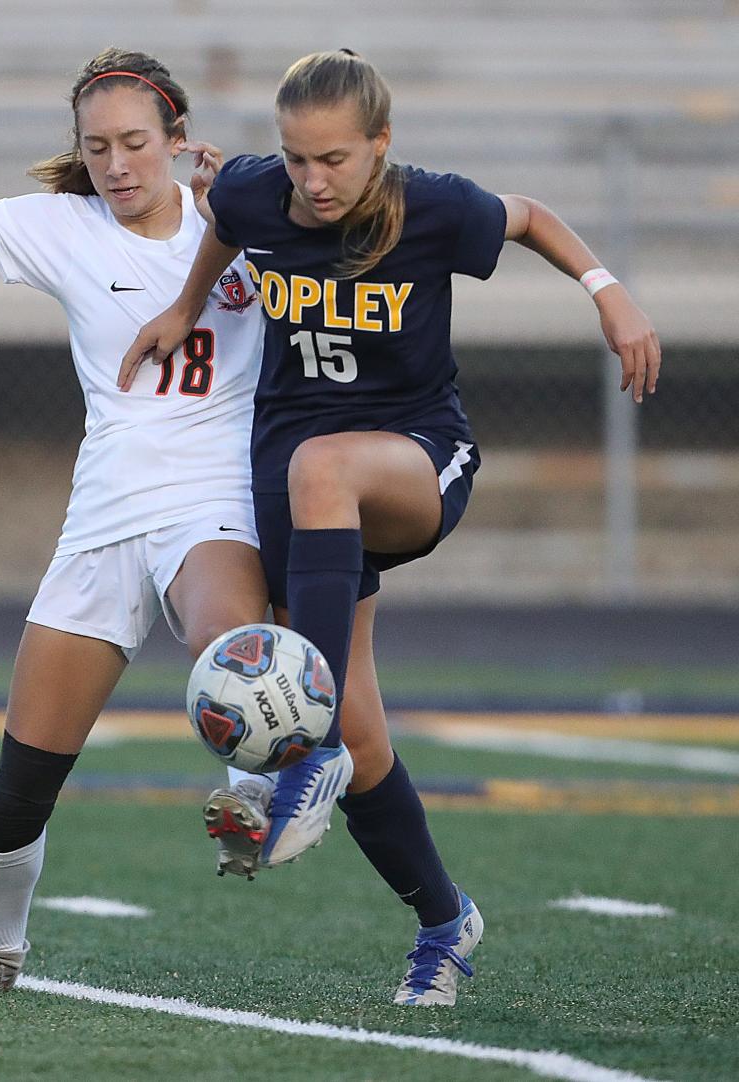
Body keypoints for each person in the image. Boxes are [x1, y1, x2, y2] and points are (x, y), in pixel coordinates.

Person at [118, 49, 661, 1006]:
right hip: (299, 478)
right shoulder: (256, 193)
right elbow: (225, 218)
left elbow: (530, 217)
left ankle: (302, 754)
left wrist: (607, 290)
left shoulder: (431, 207)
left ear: (381, 147)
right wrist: (183, 305)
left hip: (412, 455)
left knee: (325, 484)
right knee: (367, 739)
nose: (313, 181)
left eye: (334, 159)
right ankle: (444, 922)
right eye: (296, 160)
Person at [0, 47, 270, 994]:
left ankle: (257, 789)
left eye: (136, 144)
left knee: (237, 654)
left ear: (179, 143)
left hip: (214, 500)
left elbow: (363, 228)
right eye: (97, 146)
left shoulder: (249, 216)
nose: (117, 165)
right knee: (18, 793)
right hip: (102, 523)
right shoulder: (59, 227)